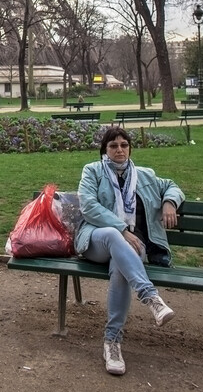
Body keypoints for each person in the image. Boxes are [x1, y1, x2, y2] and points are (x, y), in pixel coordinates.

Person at [75, 126, 184, 376]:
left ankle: (112, 343)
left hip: (132, 246)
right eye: (113, 146)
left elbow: (172, 186)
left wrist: (169, 202)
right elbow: (89, 207)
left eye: (124, 145)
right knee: (115, 236)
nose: (120, 150)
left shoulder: (144, 175)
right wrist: (122, 228)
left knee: (121, 269)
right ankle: (150, 297)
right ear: (105, 150)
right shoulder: (92, 171)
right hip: (96, 240)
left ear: (130, 148)